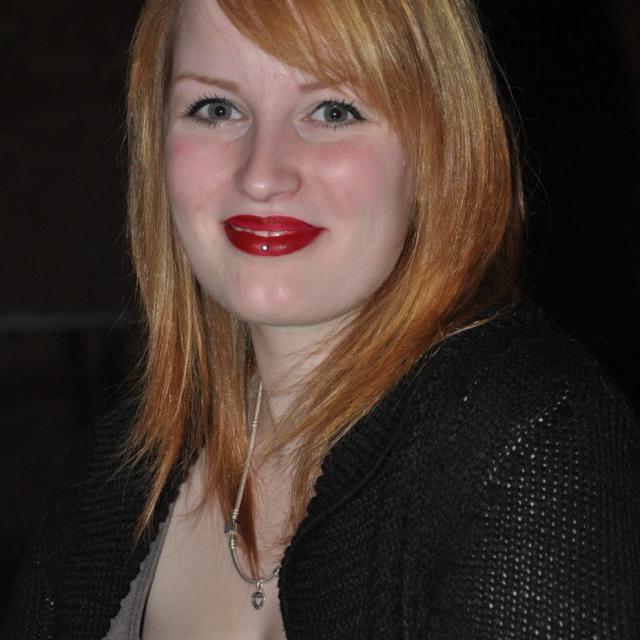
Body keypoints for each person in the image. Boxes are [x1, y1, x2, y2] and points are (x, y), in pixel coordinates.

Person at [3, 0, 639, 637]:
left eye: (334, 111)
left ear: (440, 149)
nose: (262, 175)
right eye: (217, 109)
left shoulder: (533, 446)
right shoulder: (113, 473)